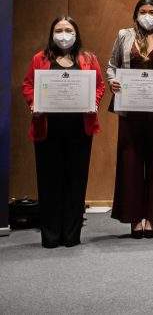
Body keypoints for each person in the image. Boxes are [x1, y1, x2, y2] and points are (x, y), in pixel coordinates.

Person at [22, 16, 105, 248]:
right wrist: (33, 104)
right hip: (48, 130)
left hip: (79, 129)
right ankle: (50, 236)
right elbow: (28, 84)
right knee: (49, 181)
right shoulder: (40, 58)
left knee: (76, 181)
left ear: (76, 34)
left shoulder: (89, 59)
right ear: (52, 34)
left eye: (68, 30)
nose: (64, 34)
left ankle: (71, 235)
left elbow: (99, 85)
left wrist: (94, 101)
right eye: (59, 30)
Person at [107, 0, 153, 239]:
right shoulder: (124, 35)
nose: (147, 16)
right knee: (130, 162)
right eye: (143, 11)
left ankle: (152, 217)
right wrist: (113, 81)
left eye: (152, 12)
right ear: (136, 14)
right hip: (131, 110)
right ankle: (133, 218)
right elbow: (111, 66)